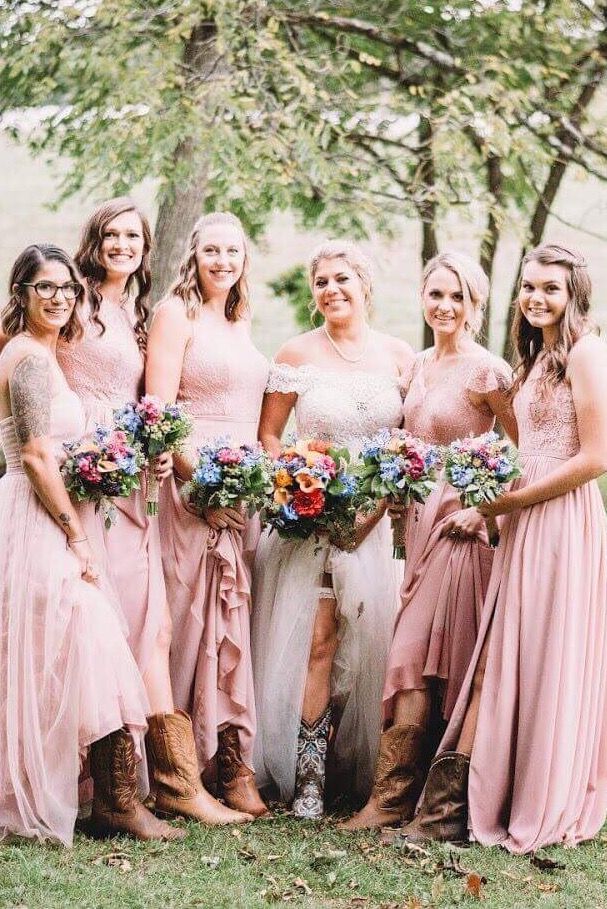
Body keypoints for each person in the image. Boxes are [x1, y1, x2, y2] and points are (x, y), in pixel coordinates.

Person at [403, 243, 607, 853]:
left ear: (574, 293)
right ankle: (458, 801)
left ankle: (471, 805)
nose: (537, 297)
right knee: (503, 650)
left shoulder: (587, 353)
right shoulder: (540, 359)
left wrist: (509, 504)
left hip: (561, 521)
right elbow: (524, 445)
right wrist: (492, 490)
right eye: (529, 287)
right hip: (519, 518)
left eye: (550, 288)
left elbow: (595, 457)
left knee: (532, 649)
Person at [58, 199, 243, 827]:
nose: (122, 245)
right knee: (98, 625)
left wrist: (158, 454)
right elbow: (26, 363)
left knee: (148, 625)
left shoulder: (136, 313)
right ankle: (111, 790)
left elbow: (149, 401)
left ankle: (172, 782)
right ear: (93, 241)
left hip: (133, 482)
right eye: (111, 235)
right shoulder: (70, 300)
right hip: (81, 478)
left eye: (133, 236)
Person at [341, 252, 516, 830]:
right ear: (422, 297)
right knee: (430, 658)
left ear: (475, 306)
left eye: (457, 298)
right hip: (416, 525)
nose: (445, 307)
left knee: (417, 656)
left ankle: (391, 803)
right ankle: (423, 801)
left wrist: (481, 508)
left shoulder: (488, 372)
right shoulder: (414, 366)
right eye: (435, 295)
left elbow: (523, 451)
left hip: (460, 530)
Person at [251, 240, 414, 818]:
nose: (331, 290)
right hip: (312, 520)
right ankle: (310, 775)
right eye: (320, 282)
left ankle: (362, 771)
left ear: (364, 284)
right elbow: (270, 436)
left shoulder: (400, 356)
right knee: (318, 642)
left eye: (341, 279)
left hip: (375, 525)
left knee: (371, 644)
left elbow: (410, 442)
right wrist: (297, 476)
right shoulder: (296, 352)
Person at [0, 244, 156, 846]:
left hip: (39, 510)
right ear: (22, 294)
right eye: (45, 288)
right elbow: (38, 455)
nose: (60, 297)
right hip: (36, 515)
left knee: (50, 650)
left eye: (67, 288)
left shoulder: (41, 352)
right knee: (87, 632)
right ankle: (110, 802)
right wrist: (74, 533)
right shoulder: (31, 360)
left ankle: (105, 798)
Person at [146, 211, 269, 819]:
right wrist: (205, 488)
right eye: (212, 251)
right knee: (190, 620)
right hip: (194, 492)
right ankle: (179, 770)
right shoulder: (176, 314)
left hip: (239, 490)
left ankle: (230, 760)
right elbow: (162, 413)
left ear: (245, 259)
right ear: (193, 256)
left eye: (233, 251)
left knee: (233, 623)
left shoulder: (239, 319)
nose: (223, 261)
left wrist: (244, 487)